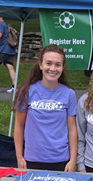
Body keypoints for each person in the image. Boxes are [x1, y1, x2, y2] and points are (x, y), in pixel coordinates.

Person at [13, 44, 78, 172]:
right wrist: (19, 157)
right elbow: (19, 126)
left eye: (57, 64)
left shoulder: (69, 94)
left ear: (62, 68)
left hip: (61, 161)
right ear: (40, 65)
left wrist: (72, 160)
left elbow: (72, 129)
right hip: (32, 160)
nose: (53, 68)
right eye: (48, 63)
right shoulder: (26, 91)